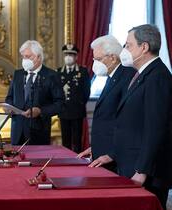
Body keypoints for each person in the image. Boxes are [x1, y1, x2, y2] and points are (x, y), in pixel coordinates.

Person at [94, 24, 172, 209]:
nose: (124, 50)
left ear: (143, 47)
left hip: (145, 171)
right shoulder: (142, 74)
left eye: (128, 45)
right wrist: (112, 154)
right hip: (130, 162)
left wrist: (142, 170)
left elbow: (156, 128)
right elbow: (130, 123)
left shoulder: (158, 77)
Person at [77, 35, 135, 172]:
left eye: (98, 59)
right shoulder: (112, 77)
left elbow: (127, 122)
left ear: (113, 58)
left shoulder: (127, 77)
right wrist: (96, 147)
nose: (94, 63)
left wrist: (112, 153)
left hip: (116, 158)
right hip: (104, 152)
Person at [5, 40, 63, 145]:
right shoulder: (18, 74)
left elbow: (60, 104)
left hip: (39, 132)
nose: (25, 60)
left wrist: (40, 111)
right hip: (17, 130)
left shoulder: (51, 75)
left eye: (28, 57)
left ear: (39, 57)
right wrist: (8, 106)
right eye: (23, 57)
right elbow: (9, 97)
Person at [57, 44, 90, 153]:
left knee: (77, 140)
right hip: (63, 111)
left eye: (71, 54)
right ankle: (65, 157)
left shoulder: (83, 72)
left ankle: (77, 159)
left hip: (77, 111)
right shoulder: (58, 72)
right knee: (65, 140)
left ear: (76, 57)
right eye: (66, 54)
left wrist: (79, 104)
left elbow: (86, 92)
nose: (68, 57)